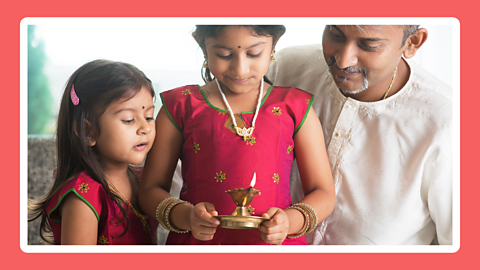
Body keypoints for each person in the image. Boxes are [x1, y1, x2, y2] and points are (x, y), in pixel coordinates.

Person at [139, 25, 335, 245]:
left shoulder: (294, 107)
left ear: (274, 43)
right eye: (224, 54)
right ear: (202, 45)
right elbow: (149, 190)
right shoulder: (181, 106)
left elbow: (323, 193)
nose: (240, 69)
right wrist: (185, 216)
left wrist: (289, 222)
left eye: (254, 54)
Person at [267, 25, 452, 245]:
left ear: (412, 43)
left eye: (369, 45)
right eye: (336, 34)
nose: (344, 60)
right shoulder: (284, 68)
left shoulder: (448, 120)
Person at [28, 60, 158, 245]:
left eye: (149, 117)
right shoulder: (84, 196)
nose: (145, 128)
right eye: (129, 120)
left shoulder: (144, 180)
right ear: (87, 132)